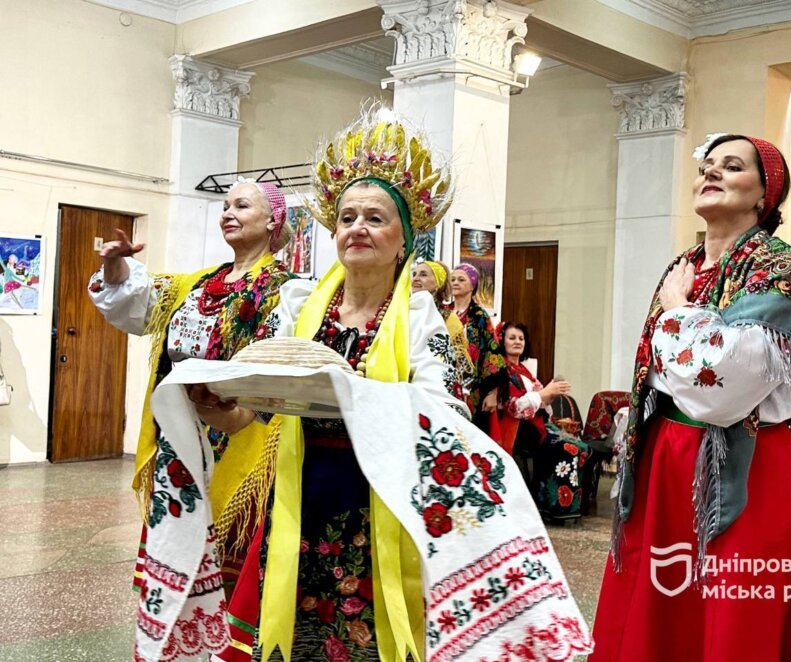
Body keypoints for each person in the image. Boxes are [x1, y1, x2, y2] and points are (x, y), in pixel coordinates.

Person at [190, 106, 591, 662]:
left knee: (372, 641)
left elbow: (441, 414)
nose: (358, 227)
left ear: (405, 238)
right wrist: (217, 408)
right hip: (298, 498)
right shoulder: (300, 305)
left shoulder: (421, 318)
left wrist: (352, 391)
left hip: (379, 502)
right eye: (347, 216)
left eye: (375, 218)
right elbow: (258, 411)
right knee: (290, 639)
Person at [591, 135, 791, 661]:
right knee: (666, 610)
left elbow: (723, 385)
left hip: (747, 470)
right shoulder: (684, 264)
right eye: (707, 166)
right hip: (667, 462)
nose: (713, 173)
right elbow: (671, 372)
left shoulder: (778, 265)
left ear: (764, 193)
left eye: (732, 166)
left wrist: (678, 312)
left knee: (737, 616)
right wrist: (693, 337)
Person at [88, 181, 294, 610]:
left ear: (273, 220)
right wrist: (116, 266)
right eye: (224, 205)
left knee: (228, 570)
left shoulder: (290, 291)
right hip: (178, 445)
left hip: (239, 446)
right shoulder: (197, 285)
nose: (227, 212)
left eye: (241, 205)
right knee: (177, 562)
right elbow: (135, 303)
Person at [490, 322, 586, 522]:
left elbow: (541, 402)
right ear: (502, 341)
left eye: (521, 338)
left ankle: (559, 503)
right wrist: (543, 394)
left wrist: (551, 393)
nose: (517, 342)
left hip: (534, 425)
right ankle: (556, 506)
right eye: (512, 338)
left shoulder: (523, 371)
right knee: (569, 447)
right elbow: (512, 408)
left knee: (581, 445)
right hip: (518, 430)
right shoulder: (501, 371)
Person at [411, 258, 473, 404]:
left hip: (433, 389)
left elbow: (458, 363)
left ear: (437, 283)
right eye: (414, 274)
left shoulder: (448, 319)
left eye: (424, 274)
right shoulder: (401, 308)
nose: (416, 278)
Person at [450, 262, 506, 415]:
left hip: (470, 386)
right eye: (453, 279)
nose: (455, 282)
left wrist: (492, 392)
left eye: (461, 279)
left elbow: (492, 351)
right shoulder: (442, 312)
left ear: (472, 285)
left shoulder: (479, 316)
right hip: (443, 378)